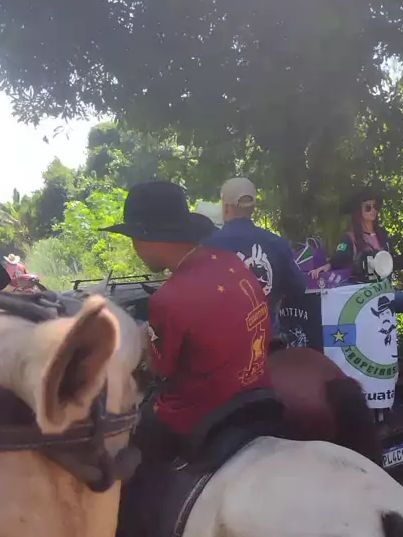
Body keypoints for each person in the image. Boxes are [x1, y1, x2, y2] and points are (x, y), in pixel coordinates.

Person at [102, 180, 275, 462]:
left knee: (125, 438)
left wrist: (141, 340)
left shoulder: (168, 299)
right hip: (258, 393)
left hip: (202, 412)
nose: (135, 248)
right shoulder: (233, 262)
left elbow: (158, 369)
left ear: (146, 239)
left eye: (133, 238)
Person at [313, 186, 403, 363]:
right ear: (358, 211)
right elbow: (338, 259)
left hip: (386, 294)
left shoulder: (383, 236)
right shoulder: (349, 238)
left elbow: (392, 264)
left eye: (376, 206)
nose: (373, 210)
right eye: (368, 207)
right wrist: (328, 265)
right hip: (363, 298)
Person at [203, 177, 306, 336]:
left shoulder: (206, 246)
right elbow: (298, 289)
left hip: (222, 340)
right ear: (253, 208)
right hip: (267, 340)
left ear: (226, 207)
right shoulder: (277, 244)